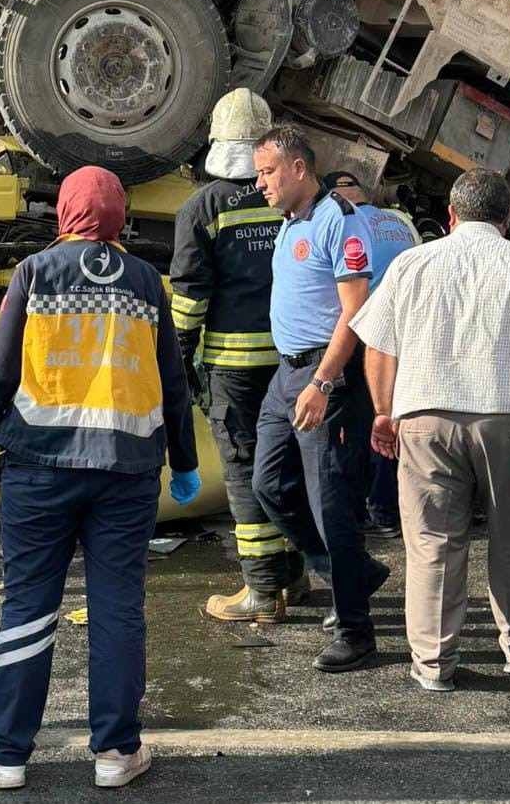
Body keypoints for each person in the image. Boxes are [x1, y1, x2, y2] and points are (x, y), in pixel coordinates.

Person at [0, 166, 200, 792]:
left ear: (65, 213)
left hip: (39, 471)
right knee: (116, 611)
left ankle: (4, 755)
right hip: (127, 472)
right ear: (119, 218)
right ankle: (115, 753)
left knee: (28, 606)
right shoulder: (146, 284)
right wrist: (183, 463)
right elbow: (172, 382)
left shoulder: (34, 273)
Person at [352, 168, 510, 692]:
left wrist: (383, 411)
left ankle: (434, 663)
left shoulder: (411, 265)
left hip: (424, 422)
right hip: (507, 424)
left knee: (433, 541)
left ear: (451, 216)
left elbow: (378, 347)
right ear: (506, 220)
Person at [250, 126, 388, 672]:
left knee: (331, 504)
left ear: (299, 168)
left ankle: (356, 630)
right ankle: (348, 572)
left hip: (323, 378)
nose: (260, 182)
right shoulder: (289, 223)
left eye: (267, 171)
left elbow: (356, 309)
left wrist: (324, 382)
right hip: (287, 375)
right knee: (267, 483)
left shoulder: (338, 219)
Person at [170, 89, 308, 623]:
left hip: (233, 370)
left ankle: (259, 589)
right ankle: (294, 578)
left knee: (244, 471)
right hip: (294, 362)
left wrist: (180, 357)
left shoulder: (201, 207)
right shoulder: (292, 201)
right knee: (289, 467)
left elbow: (190, 296)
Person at [324, 169, 420, 538]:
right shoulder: (399, 222)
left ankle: (372, 509)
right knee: (397, 416)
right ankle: (390, 510)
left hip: (368, 333)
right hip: (408, 330)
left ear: (336, 196)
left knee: (369, 422)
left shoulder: (344, 223)